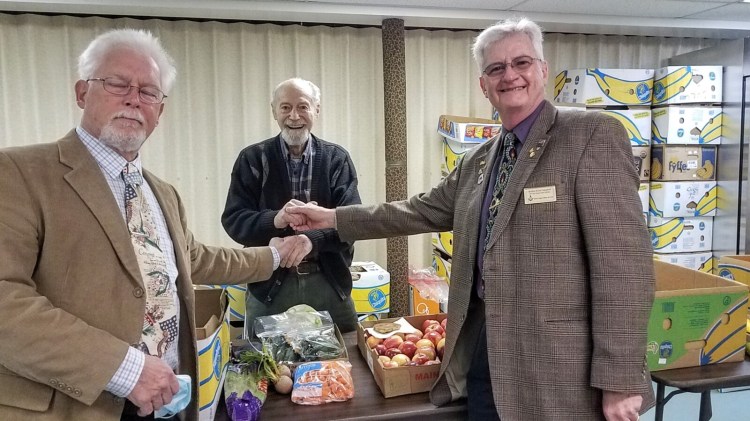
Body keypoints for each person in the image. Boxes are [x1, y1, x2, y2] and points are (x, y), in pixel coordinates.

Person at [284, 17, 655, 421]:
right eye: (496, 68)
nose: (509, 75)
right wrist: (332, 218)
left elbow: (623, 269)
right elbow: (416, 210)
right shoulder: (479, 160)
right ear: (484, 84)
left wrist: (619, 380)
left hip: (561, 365)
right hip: (486, 351)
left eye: (521, 63)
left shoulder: (590, 136)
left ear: (543, 70)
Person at [0, 28, 306, 421]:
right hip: (75, 405)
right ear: (82, 92)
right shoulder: (18, 173)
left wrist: (275, 255)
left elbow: (196, 259)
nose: (133, 98)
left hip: (166, 403)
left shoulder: (162, 192)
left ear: (159, 112)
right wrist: (123, 369)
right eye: (116, 83)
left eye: (149, 91)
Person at [221, 78, 362, 333]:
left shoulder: (336, 159)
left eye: (303, 107)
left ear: (316, 110)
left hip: (329, 281)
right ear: (274, 110)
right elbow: (234, 220)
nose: (294, 116)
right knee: (265, 364)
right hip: (269, 286)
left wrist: (312, 240)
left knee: (347, 356)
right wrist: (275, 220)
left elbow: (352, 221)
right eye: (285, 107)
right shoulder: (252, 159)